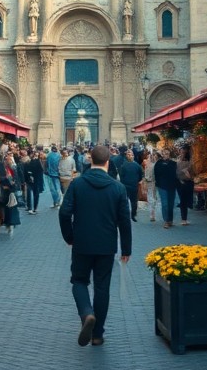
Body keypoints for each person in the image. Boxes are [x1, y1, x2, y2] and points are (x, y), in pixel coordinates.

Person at [59, 144, 132, 347]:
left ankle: (86, 313)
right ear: (108, 162)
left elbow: (64, 213)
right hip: (106, 245)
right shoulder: (118, 188)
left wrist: (69, 237)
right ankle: (97, 334)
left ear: (90, 159)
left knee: (79, 281)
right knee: (102, 287)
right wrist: (126, 249)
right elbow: (124, 221)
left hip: (82, 242)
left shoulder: (77, 184)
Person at [154, 147, 179, 228]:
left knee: (171, 204)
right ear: (162, 154)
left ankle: (170, 220)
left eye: (167, 154)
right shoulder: (158, 163)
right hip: (162, 186)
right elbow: (156, 174)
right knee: (165, 204)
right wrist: (157, 184)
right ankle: (166, 221)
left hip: (172, 186)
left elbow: (176, 175)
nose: (165, 155)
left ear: (169, 155)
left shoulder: (173, 163)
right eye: (164, 154)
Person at [0, 152, 22, 235]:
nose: (7, 161)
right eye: (6, 159)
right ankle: (8, 224)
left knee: (11, 208)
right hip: (5, 192)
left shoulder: (13, 168)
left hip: (11, 191)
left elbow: (16, 179)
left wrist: (12, 185)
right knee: (6, 208)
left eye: (8, 159)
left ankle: (11, 224)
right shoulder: (2, 169)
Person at [118, 149, 144, 222]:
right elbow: (140, 176)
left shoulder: (124, 165)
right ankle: (132, 215)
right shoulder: (136, 166)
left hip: (128, 185)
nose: (130, 156)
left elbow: (121, 176)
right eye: (129, 155)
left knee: (128, 201)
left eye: (131, 155)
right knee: (132, 201)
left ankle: (128, 215)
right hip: (131, 185)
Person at [176, 145, 195, 226]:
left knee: (185, 201)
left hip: (187, 182)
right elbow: (177, 173)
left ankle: (184, 219)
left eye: (183, 152)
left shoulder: (189, 162)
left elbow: (192, 174)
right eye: (181, 151)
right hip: (182, 183)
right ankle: (184, 219)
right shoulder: (179, 161)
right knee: (184, 201)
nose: (182, 153)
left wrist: (188, 175)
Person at [142, 150, 159, 222]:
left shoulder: (154, 165)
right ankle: (152, 213)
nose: (149, 158)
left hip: (152, 182)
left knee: (151, 198)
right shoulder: (148, 165)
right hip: (150, 183)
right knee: (151, 198)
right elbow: (145, 174)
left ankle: (152, 213)